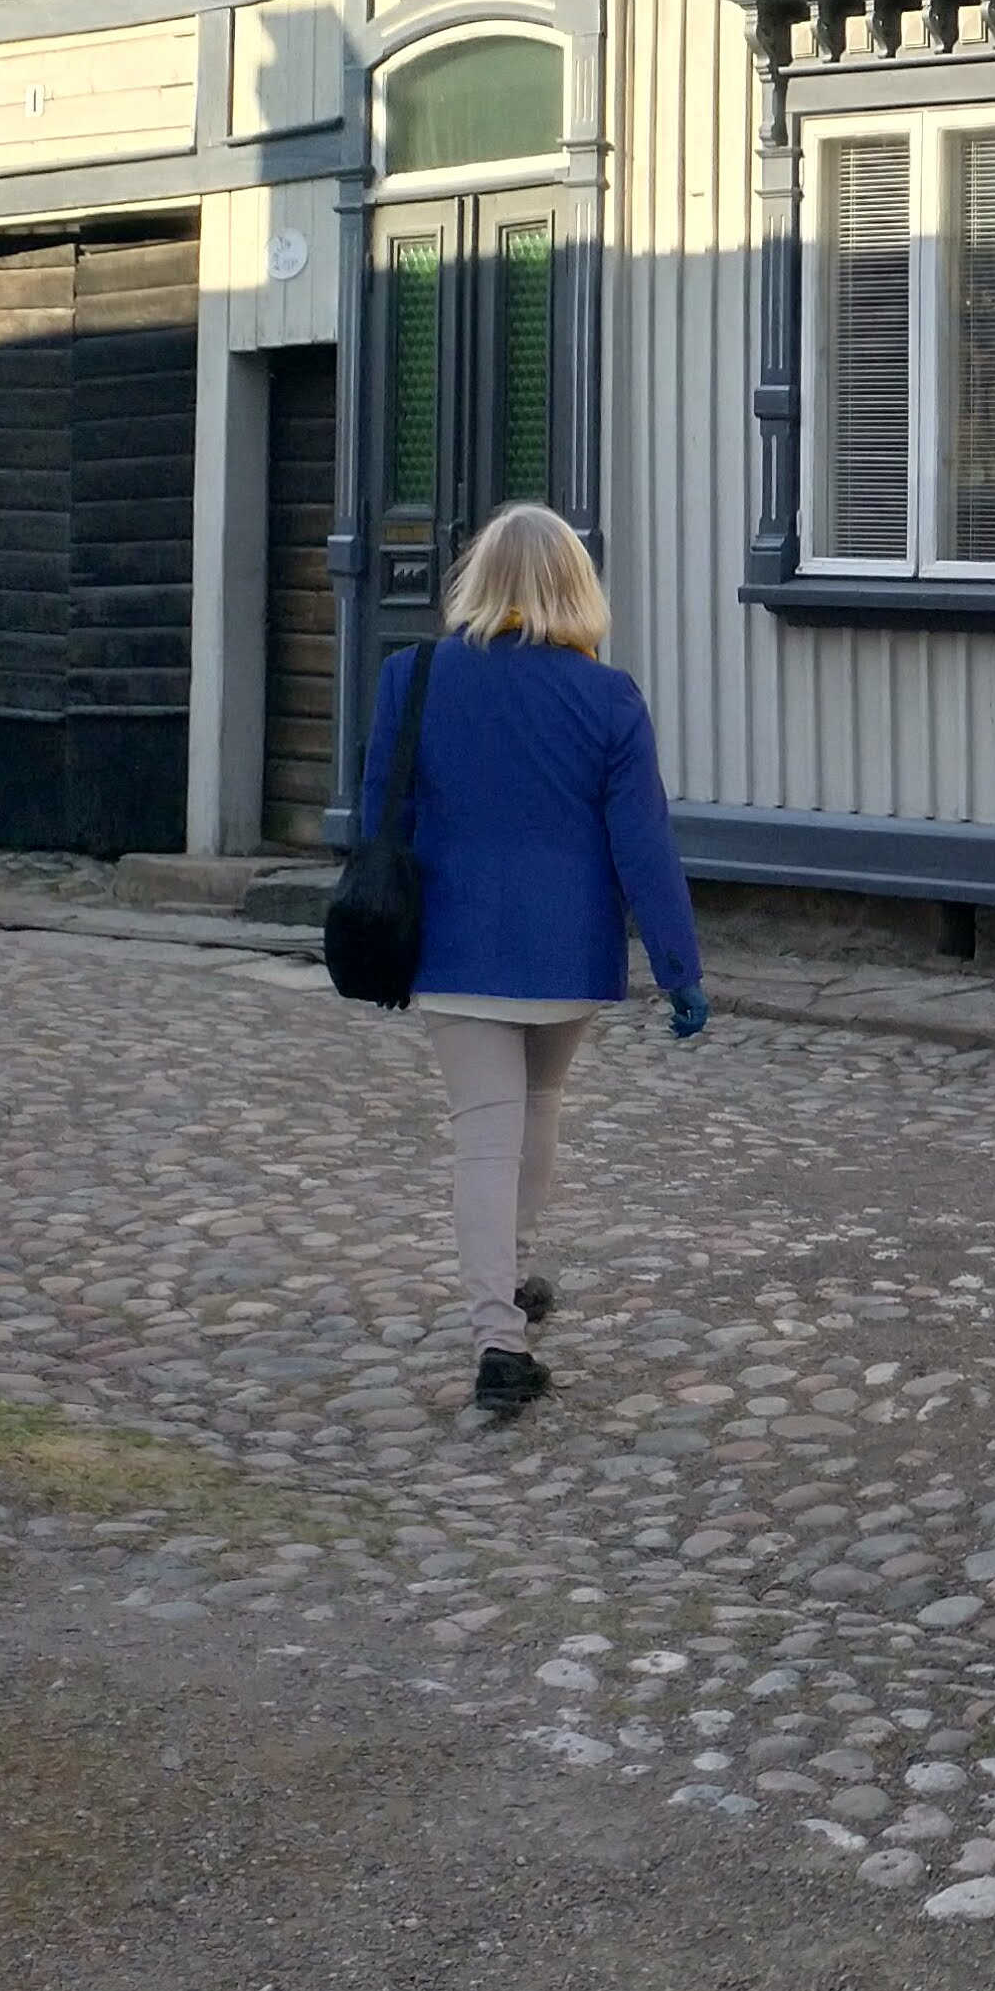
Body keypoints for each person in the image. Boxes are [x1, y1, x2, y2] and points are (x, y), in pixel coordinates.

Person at [356, 502, 705, 1423]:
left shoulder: (411, 677)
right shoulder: (607, 696)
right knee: (538, 1107)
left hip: (453, 940)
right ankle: (507, 1282)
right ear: (574, 585)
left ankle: (498, 1336)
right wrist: (679, 967)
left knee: (484, 1134)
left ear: (479, 580)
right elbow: (643, 843)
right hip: (565, 950)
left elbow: (378, 815)